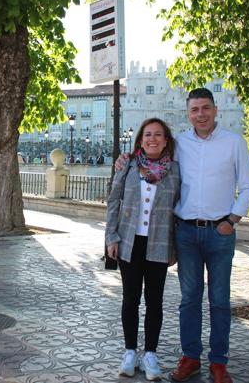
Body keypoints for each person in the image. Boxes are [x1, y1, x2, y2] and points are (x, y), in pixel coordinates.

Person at [115, 88, 249, 383]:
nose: (200, 114)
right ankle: (190, 357)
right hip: (186, 232)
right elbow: (150, 155)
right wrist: (125, 158)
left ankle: (219, 362)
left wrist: (232, 220)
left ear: (215, 110)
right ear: (188, 114)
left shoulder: (234, 143)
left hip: (220, 231)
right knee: (189, 299)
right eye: (194, 110)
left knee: (219, 300)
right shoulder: (179, 144)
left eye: (205, 108)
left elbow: (248, 186)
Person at [106, 118, 180, 381]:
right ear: (140, 140)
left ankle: (150, 353)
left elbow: (178, 210)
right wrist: (111, 237)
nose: (153, 139)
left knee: (155, 301)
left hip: (159, 244)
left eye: (158, 135)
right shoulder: (127, 165)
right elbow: (114, 200)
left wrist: (176, 248)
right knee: (130, 298)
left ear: (166, 140)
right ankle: (129, 352)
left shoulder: (174, 170)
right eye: (148, 134)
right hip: (129, 242)